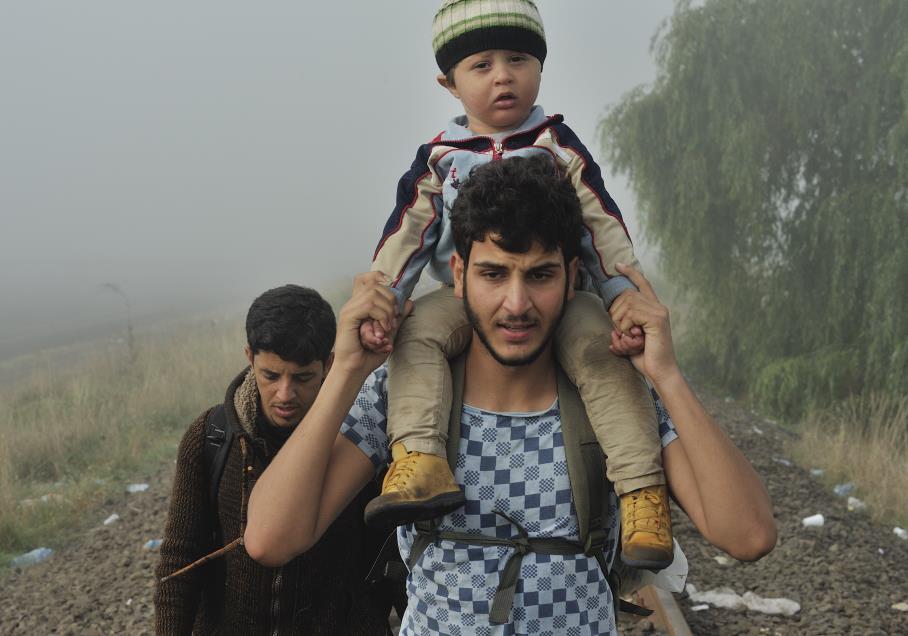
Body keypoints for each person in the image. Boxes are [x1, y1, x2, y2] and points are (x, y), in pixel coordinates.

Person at [244, 157, 777, 634]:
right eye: (493, 274)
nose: (516, 304)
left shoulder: (612, 397)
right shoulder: (407, 392)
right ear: (459, 275)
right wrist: (348, 373)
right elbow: (271, 539)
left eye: (540, 275)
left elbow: (748, 536)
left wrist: (667, 375)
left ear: (573, 278)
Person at [363, 0, 671, 569]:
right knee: (417, 337)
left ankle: (641, 492)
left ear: (540, 68)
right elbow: (408, 232)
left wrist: (625, 295)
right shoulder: (440, 160)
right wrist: (384, 296)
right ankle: (419, 457)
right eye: (481, 65)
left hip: (564, 299)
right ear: (448, 82)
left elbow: (602, 225)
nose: (503, 75)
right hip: (465, 301)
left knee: (600, 353)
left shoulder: (557, 146)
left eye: (518, 59)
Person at [153, 285, 400, 635]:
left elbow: (394, 553)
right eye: (271, 375)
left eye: (302, 378)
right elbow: (180, 559)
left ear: (329, 364)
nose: (285, 394)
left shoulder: (360, 440)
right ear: (250, 357)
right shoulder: (211, 436)